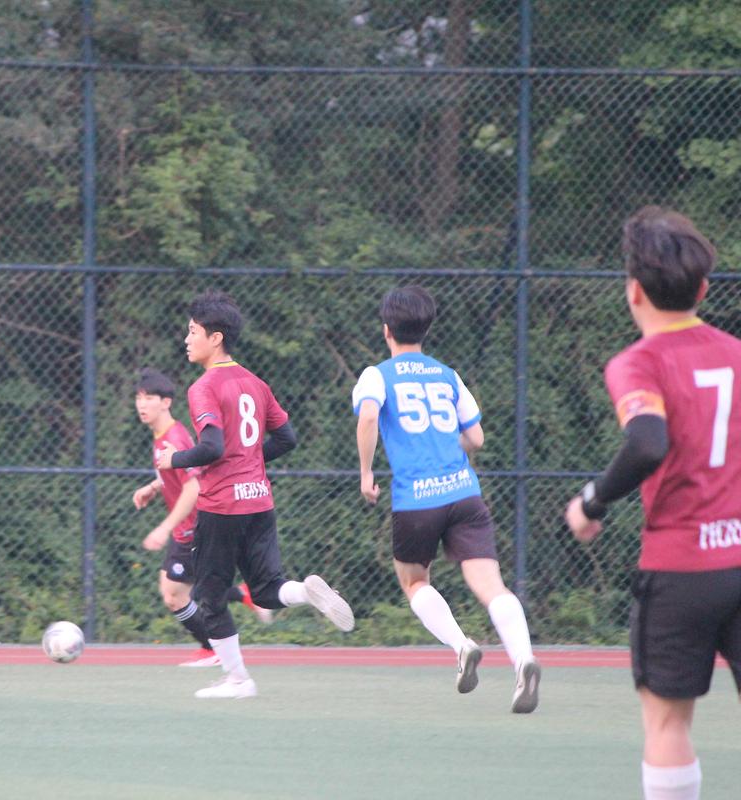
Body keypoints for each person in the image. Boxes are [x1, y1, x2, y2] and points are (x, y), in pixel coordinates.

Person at [564, 207, 741, 800]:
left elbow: (646, 442)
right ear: (704, 289)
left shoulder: (638, 362)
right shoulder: (736, 353)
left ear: (633, 291)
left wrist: (591, 501)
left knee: (668, 724)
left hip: (683, 568)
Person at [156, 290, 354, 699]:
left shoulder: (203, 387)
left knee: (209, 598)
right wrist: (249, 460)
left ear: (215, 338)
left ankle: (238, 680)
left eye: (192, 331)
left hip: (222, 506)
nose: (186, 339)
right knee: (265, 589)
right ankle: (306, 592)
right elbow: (287, 438)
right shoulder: (256, 383)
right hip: (259, 500)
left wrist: (174, 459)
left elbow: (211, 447)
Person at [353, 285, 540, 713]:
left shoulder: (377, 375)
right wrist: (445, 447)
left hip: (416, 500)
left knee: (414, 581)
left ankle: (461, 645)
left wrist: (366, 472)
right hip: (464, 494)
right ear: (427, 330)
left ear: (386, 330)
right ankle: (523, 660)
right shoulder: (447, 375)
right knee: (491, 586)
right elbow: (476, 436)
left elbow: (368, 416)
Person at [131, 367, 274, 669]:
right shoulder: (162, 436)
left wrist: (163, 528)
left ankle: (213, 648)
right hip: (190, 526)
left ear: (166, 402)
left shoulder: (174, 436)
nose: (142, 404)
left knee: (175, 594)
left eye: (149, 398)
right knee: (186, 588)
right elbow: (182, 473)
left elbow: (193, 486)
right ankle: (241, 599)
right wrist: (154, 487)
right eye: (139, 398)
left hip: (195, 526)